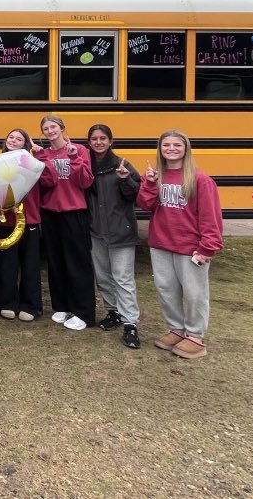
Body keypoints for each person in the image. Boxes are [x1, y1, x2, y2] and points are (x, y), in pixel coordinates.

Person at [137, 130, 223, 359]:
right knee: (166, 289)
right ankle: (176, 329)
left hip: (190, 247)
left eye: (177, 145)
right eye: (166, 145)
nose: (171, 149)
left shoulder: (200, 179)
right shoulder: (157, 176)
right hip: (161, 243)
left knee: (194, 293)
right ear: (160, 148)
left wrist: (208, 246)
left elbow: (210, 216)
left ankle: (195, 336)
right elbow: (145, 204)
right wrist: (149, 183)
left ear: (186, 149)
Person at [33, 114, 95, 331]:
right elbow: (47, 183)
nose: (50, 131)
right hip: (50, 212)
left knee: (77, 263)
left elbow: (85, 181)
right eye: (46, 129)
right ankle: (62, 305)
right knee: (56, 262)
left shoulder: (79, 149)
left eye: (53, 127)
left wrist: (74, 158)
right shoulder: (44, 154)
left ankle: (83, 312)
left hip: (74, 212)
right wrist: (40, 158)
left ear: (62, 128)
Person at [87, 124, 143, 349]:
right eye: (94, 139)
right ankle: (113, 312)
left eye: (103, 138)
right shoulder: (86, 165)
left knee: (123, 278)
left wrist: (125, 179)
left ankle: (130, 323)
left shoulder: (122, 165)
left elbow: (137, 196)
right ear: (89, 142)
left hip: (121, 231)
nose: (98, 142)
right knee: (103, 276)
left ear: (111, 141)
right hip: (96, 231)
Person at [0, 128, 43, 323]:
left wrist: (40, 156)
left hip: (29, 219)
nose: (13, 140)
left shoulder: (33, 163)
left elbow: (49, 181)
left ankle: (30, 305)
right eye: (10, 137)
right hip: (6, 220)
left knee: (30, 264)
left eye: (19, 139)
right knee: (7, 264)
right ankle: (6, 302)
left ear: (25, 144)